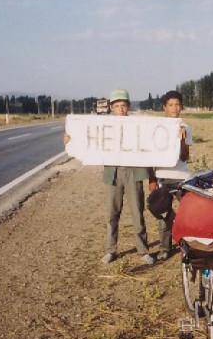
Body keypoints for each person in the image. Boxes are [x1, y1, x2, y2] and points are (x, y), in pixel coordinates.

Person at [64, 89, 155, 265]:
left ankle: (143, 250)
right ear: (112, 108)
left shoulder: (138, 125)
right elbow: (86, 139)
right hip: (112, 173)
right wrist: (71, 141)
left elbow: (151, 144)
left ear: (128, 106)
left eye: (124, 106)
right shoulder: (103, 127)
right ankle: (110, 249)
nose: (121, 109)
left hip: (134, 172)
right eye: (117, 106)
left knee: (137, 212)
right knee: (112, 213)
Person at [151, 90, 193, 261]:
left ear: (181, 107)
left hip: (181, 176)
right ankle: (164, 247)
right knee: (164, 214)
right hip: (162, 175)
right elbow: (148, 155)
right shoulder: (156, 127)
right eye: (171, 105)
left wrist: (182, 139)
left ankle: (187, 245)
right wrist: (152, 179)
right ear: (164, 107)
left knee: (187, 212)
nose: (175, 108)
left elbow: (185, 157)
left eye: (177, 105)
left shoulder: (186, 127)